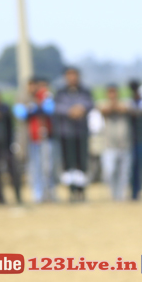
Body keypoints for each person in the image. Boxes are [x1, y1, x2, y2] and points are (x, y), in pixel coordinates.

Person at [54, 67, 94, 201]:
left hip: (81, 132)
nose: (72, 78)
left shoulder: (85, 91)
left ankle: (81, 190)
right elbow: (57, 107)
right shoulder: (60, 92)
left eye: (74, 75)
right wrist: (69, 111)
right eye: (69, 75)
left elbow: (90, 103)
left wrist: (81, 109)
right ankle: (71, 190)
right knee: (68, 163)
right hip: (66, 133)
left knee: (81, 163)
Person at [19, 77, 55, 203]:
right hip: (32, 139)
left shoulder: (46, 97)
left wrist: (37, 106)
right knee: (35, 167)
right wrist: (34, 107)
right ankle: (38, 194)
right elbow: (21, 113)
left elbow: (49, 109)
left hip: (46, 137)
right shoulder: (24, 99)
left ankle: (49, 192)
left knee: (48, 167)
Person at [97, 84, 132, 201]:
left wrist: (115, 105)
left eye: (114, 92)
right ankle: (114, 193)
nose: (112, 95)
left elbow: (124, 109)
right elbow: (105, 110)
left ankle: (121, 195)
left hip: (124, 144)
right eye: (110, 93)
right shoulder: (102, 103)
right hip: (109, 145)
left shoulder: (125, 103)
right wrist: (113, 105)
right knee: (110, 171)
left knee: (124, 173)